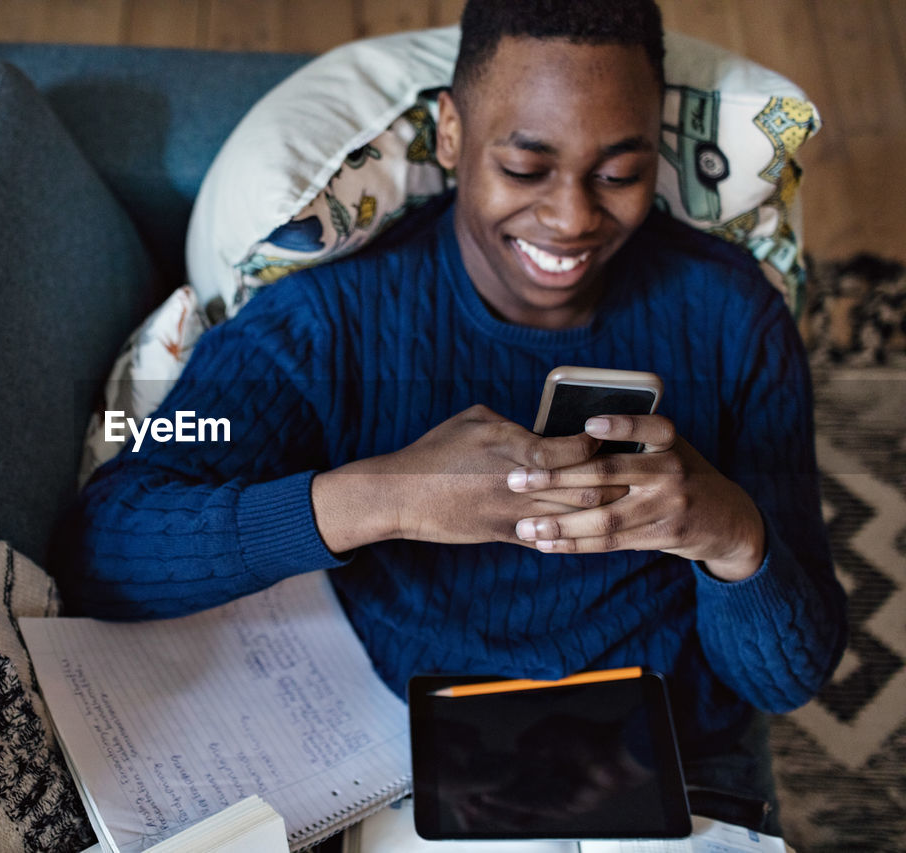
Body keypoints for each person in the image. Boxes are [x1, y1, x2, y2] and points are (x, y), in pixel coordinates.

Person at [63, 0, 847, 829]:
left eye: (620, 172)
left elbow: (789, 676)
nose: (573, 217)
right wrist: (385, 497)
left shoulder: (731, 318)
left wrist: (729, 534)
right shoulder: (326, 326)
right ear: (449, 134)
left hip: (673, 759)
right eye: (525, 167)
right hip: (395, 760)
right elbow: (107, 538)